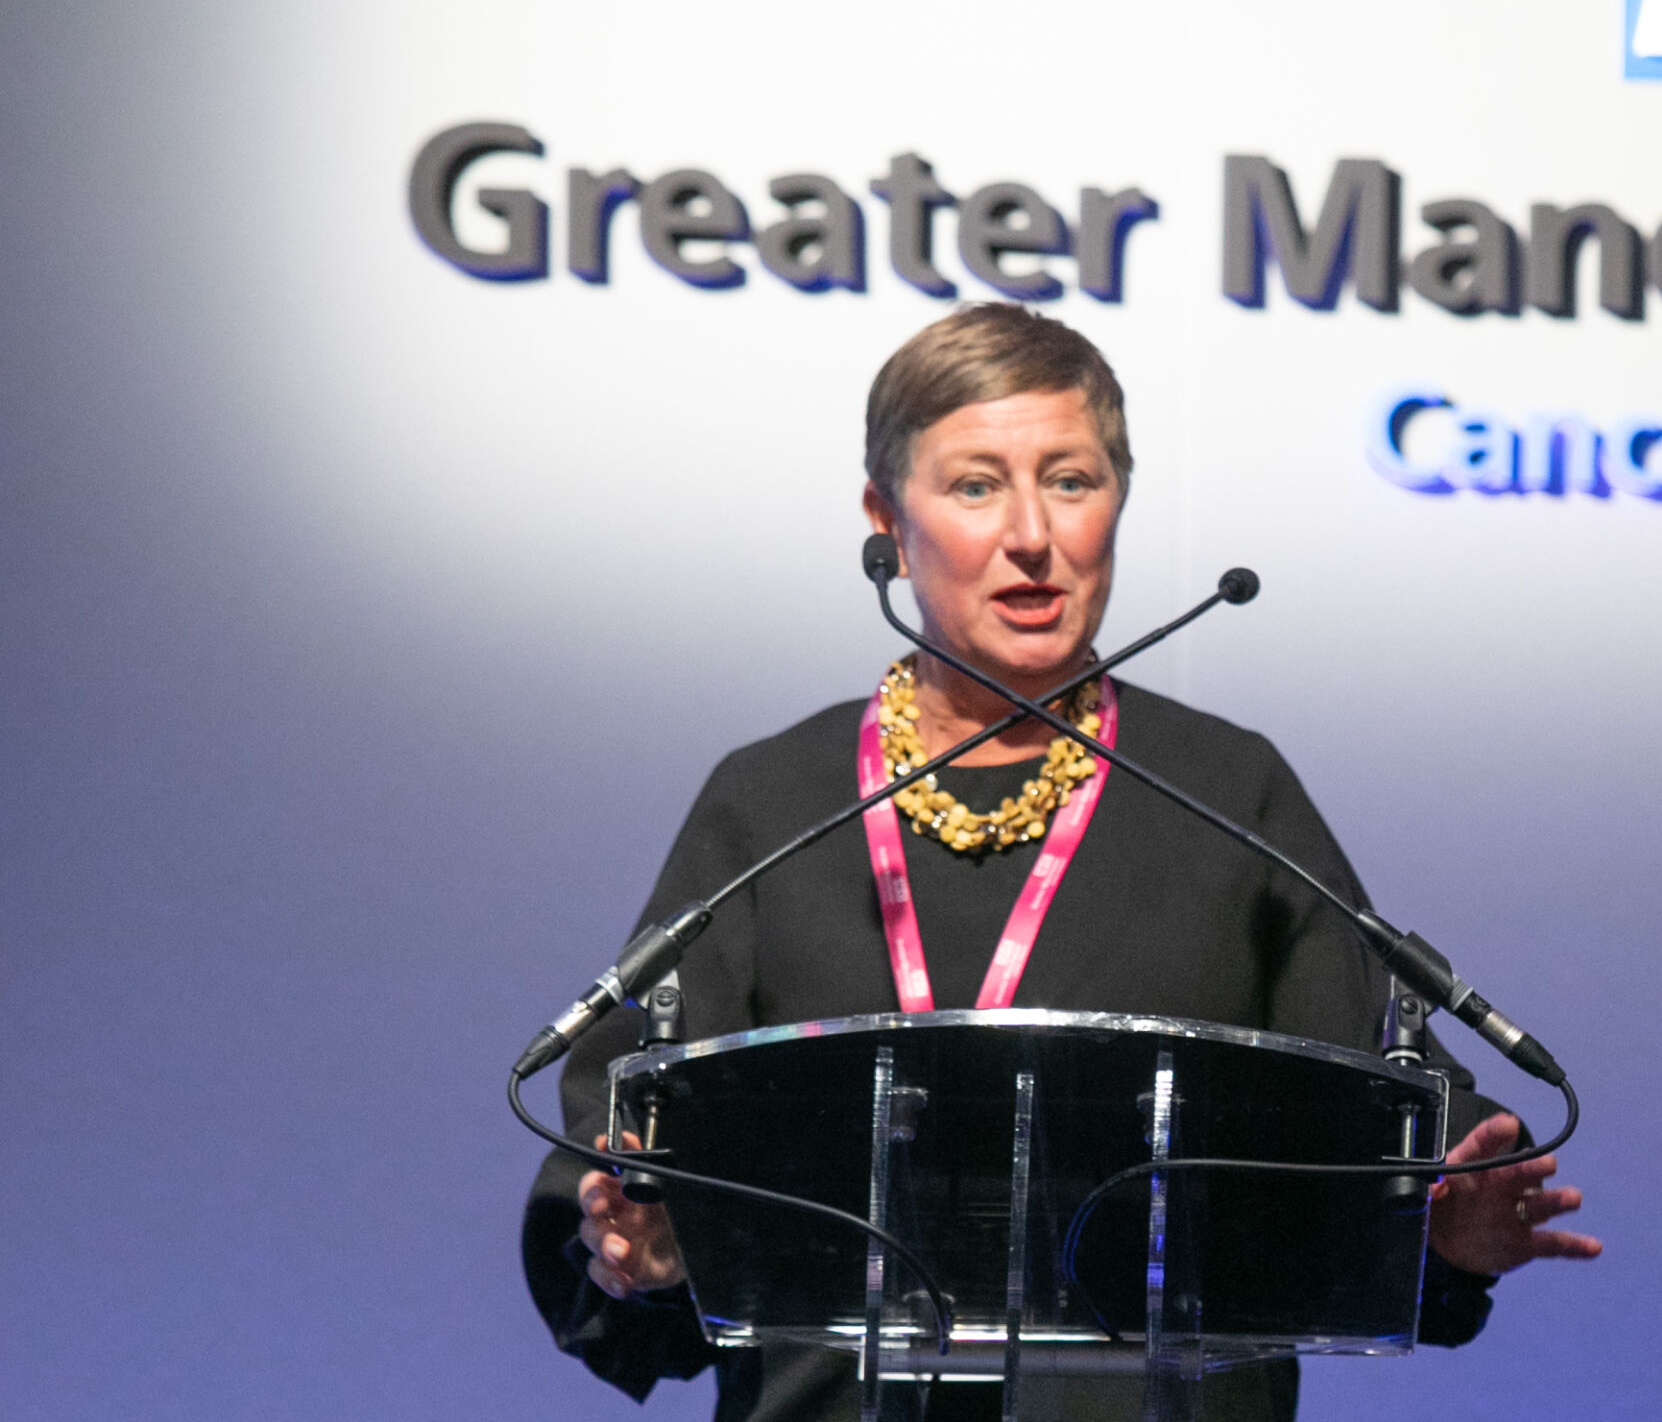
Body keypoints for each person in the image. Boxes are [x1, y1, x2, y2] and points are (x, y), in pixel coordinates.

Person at [522, 305, 1599, 1421]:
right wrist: (637, 1250)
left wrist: (1444, 1225)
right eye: (976, 484)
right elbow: (621, 1132)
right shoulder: (776, 799)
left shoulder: (1228, 791)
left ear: (1118, 502)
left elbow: (1373, 1118)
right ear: (885, 517)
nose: (1032, 533)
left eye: (1071, 480)